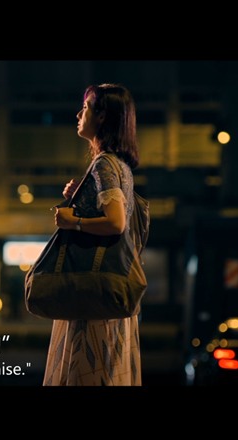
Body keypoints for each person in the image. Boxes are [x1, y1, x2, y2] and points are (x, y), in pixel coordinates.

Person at [43, 83, 142, 386]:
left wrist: (73, 221)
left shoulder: (104, 164)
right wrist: (83, 196)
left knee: (89, 371)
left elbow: (116, 222)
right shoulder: (121, 165)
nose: (78, 114)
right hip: (108, 290)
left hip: (92, 293)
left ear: (101, 116)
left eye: (85, 108)